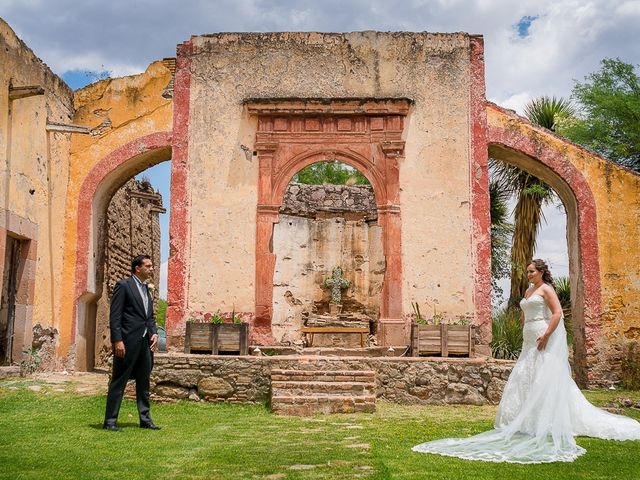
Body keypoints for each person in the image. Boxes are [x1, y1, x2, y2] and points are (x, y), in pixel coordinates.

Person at [413, 259, 640, 463]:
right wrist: (525, 329)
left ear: (541, 272)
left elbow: (557, 313)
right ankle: (526, 420)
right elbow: (526, 312)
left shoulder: (546, 289)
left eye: (532, 271)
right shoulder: (529, 290)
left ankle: (550, 418)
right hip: (529, 337)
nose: (528, 274)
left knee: (543, 374)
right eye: (528, 272)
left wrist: (547, 335)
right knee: (525, 374)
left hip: (542, 334)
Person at [103, 255, 160, 431]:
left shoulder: (146, 289)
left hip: (145, 343)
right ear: (137, 268)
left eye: (152, 266)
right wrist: (117, 340)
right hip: (126, 342)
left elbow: (148, 317)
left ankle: (145, 419)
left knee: (144, 382)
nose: (152, 269)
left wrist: (155, 333)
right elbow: (115, 316)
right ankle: (110, 421)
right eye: (148, 266)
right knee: (119, 381)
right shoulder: (124, 286)